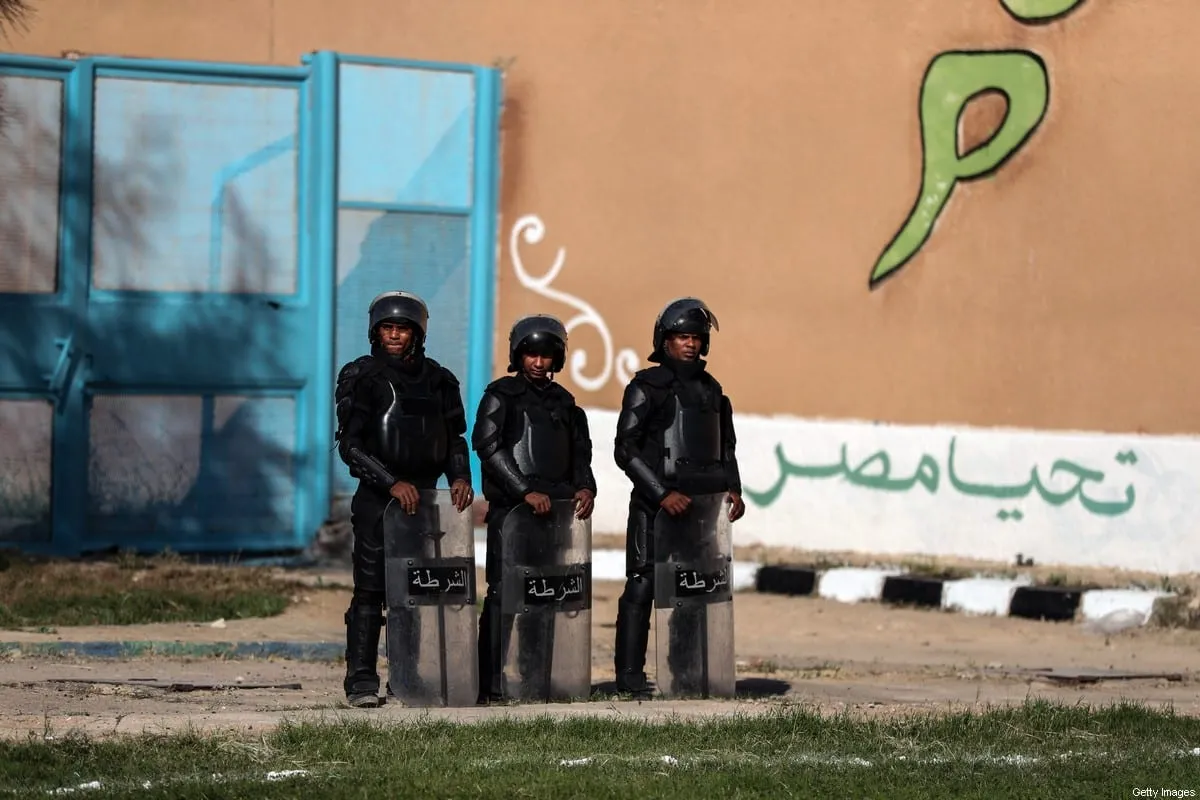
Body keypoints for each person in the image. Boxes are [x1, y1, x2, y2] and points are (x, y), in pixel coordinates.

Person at [333, 290, 475, 708]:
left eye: (403, 329)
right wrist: (391, 482)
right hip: (381, 502)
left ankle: (407, 677)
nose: (395, 336)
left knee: (415, 592)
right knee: (372, 591)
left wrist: (461, 476)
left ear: (418, 333)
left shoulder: (440, 380)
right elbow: (351, 446)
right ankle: (361, 680)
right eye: (388, 328)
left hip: (427, 503)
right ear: (376, 332)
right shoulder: (363, 376)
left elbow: (454, 439)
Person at [611, 296, 746, 697]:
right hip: (656, 509)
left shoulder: (711, 390)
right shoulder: (645, 387)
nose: (689, 344)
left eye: (695, 337)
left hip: (702, 512)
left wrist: (734, 489)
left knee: (695, 589)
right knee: (642, 585)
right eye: (681, 336)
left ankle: (686, 674)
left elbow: (727, 447)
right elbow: (625, 449)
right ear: (664, 340)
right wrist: (661, 493)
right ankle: (630, 679)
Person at [471, 314, 597, 703]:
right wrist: (524, 491)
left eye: (546, 355)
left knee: (545, 596)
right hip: (512, 513)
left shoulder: (566, 404)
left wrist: (586, 487)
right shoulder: (501, 394)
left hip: (556, 514)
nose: (539, 363)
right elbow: (488, 447)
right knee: (503, 595)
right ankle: (489, 683)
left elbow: (581, 455)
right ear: (518, 355)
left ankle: (533, 678)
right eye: (531, 355)